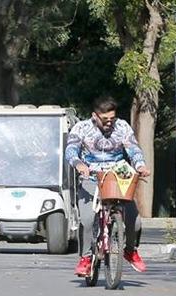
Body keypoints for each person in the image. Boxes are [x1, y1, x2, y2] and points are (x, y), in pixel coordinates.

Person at [65, 96, 151, 277]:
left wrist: (140, 165)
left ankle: (130, 250)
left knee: (134, 222)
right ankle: (86, 258)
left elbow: (133, 149)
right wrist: (79, 164)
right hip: (91, 176)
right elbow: (71, 149)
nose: (109, 123)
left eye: (112, 118)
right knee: (87, 220)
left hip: (118, 176)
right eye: (105, 120)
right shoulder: (81, 128)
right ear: (94, 116)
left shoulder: (122, 127)